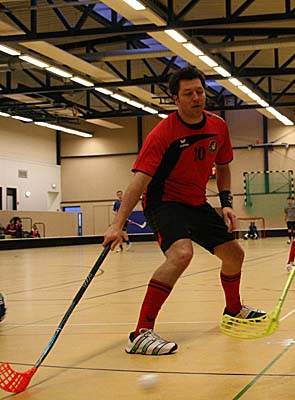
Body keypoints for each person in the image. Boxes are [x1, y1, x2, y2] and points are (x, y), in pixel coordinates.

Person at [102, 66, 265, 356]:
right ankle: (141, 334)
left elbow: (224, 166)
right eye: (188, 94)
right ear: (175, 99)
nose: (196, 98)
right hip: (163, 201)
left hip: (196, 202)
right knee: (181, 254)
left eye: (200, 91)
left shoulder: (218, 126)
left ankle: (233, 310)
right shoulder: (163, 133)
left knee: (234, 255)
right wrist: (117, 224)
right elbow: (139, 181)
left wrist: (226, 203)